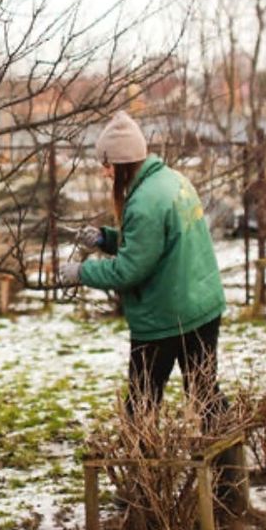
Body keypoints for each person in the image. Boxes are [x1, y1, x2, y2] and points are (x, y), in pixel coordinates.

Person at [59, 111, 228, 426]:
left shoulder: (144, 202)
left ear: (122, 164)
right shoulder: (172, 180)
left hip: (165, 317)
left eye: (106, 165)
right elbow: (156, 245)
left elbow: (128, 271)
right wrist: (106, 239)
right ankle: (229, 471)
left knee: (142, 404)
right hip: (201, 307)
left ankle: (142, 473)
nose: (105, 174)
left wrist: (81, 273)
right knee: (205, 395)